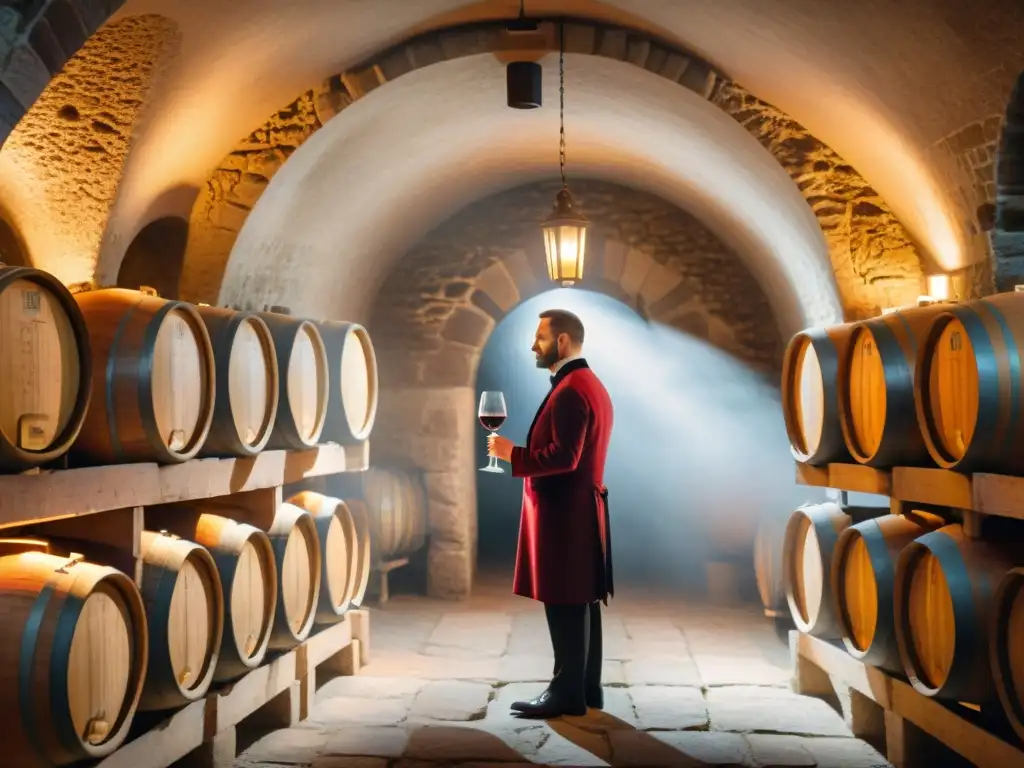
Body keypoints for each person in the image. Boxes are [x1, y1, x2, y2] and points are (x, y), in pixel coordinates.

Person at [488, 308, 614, 719]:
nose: (532, 345)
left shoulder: (572, 389)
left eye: (540, 337)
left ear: (562, 341)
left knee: (564, 601)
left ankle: (565, 695)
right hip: (578, 510)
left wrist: (513, 455)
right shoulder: (588, 383)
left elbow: (564, 456)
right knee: (582, 600)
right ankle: (586, 689)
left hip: (564, 514)